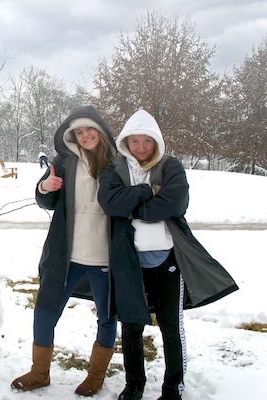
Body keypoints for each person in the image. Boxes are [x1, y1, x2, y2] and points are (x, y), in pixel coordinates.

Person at [98, 109, 239, 400]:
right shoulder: (114, 170)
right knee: (133, 326)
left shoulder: (170, 166)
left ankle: (173, 387)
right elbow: (111, 204)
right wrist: (147, 191)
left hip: (168, 260)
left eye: (146, 141)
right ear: (126, 142)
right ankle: (134, 385)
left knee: (171, 326)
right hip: (130, 262)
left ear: (156, 142)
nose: (140, 147)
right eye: (134, 141)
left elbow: (175, 204)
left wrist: (132, 208)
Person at [11, 105, 118, 397]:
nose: (85, 135)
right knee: (45, 312)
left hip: (105, 258)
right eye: (79, 132)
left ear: (100, 129)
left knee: (107, 317)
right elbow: (46, 199)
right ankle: (39, 372)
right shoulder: (65, 161)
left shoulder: (118, 163)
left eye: (89, 129)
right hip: (66, 256)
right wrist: (45, 186)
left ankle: (96, 376)